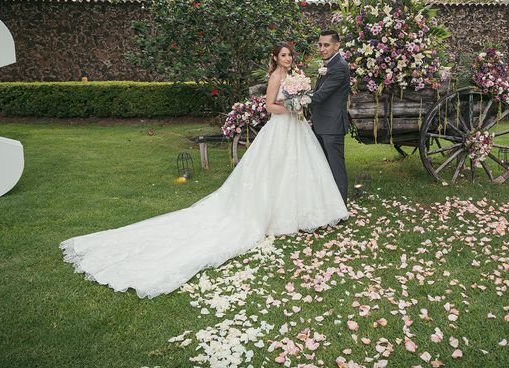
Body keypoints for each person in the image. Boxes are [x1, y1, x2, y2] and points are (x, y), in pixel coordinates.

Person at [60, 43, 348, 299]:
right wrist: (293, 107)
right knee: (276, 171)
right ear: (275, 58)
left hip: (297, 130)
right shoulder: (275, 77)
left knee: (299, 169)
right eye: (283, 55)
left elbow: (297, 98)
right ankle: (275, 213)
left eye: (290, 55)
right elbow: (270, 106)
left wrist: (298, 102)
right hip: (282, 127)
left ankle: (302, 210)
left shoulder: (295, 76)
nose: (288, 58)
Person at [310, 30, 351, 204]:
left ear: (337, 45)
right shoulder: (330, 64)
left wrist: (295, 97)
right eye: (320, 44)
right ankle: (328, 205)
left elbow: (320, 95)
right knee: (324, 167)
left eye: (326, 45)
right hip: (322, 123)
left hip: (332, 126)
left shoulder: (339, 66)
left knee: (336, 168)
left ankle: (340, 207)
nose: (322, 48)